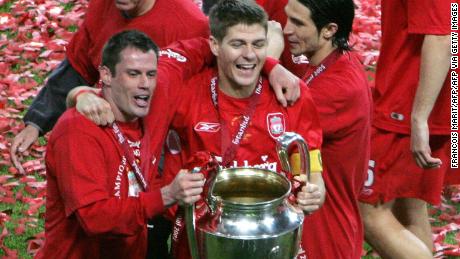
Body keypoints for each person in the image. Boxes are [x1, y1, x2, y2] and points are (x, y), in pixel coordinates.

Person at [160, 1, 325, 258]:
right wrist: (78, 95)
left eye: (258, 45)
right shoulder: (186, 96)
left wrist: (313, 196)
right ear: (215, 45)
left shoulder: (292, 95)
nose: (249, 55)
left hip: (271, 242)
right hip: (204, 242)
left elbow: (313, 176)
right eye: (237, 44)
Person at [36, 30, 207, 259]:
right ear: (106, 75)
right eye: (133, 74)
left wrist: (270, 67)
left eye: (151, 74)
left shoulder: (155, 97)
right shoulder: (78, 131)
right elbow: (94, 218)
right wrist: (167, 195)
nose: (145, 84)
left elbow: (208, 46)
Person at [10, 0, 209, 174]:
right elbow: (79, 67)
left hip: (164, 145)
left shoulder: (189, 25)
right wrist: (36, 124)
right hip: (108, 130)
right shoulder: (102, 6)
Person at [358, 1, 453, 258]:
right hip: (426, 101)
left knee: (365, 209)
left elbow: (443, 36)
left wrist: (419, 118)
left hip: (407, 105)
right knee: (408, 208)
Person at [283, 0, 371, 258]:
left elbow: (267, 123)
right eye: (288, 19)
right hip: (323, 223)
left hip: (324, 235)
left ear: (329, 30)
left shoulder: (338, 87)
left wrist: (267, 60)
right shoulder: (336, 62)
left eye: (298, 23)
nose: (287, 29)